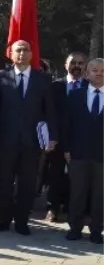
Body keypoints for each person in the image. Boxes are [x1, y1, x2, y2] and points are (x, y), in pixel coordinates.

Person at [0, 40, 58, 236]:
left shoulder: (43, 79)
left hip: (32, 141)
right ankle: (3, 218)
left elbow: (50, 111)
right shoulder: (0, 77)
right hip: (5, 139)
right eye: (18, 50)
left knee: (27, 182)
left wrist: (52, 137)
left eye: (26, 50)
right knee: (4, 181)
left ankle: (21, 221)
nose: (22, 53)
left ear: (31, 54)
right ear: (10, 54)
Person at [64, 58, 104, 244]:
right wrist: (66, 148)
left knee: (100, 194)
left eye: (103, 70)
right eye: (94, 70)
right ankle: (75, 228)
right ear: (87, 74)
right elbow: (67, 125)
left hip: (102, 156)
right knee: (77, 193)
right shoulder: (75, 95)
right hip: (78, 152)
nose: (99, 73)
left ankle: (96, 229)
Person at [47, 52, 87, 222]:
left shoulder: (90, 86)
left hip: (81, 140)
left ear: (85, 66)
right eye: (73, 63)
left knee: (78, 177)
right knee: (55, 174)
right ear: (66, 65)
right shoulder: (55, 86)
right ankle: (52, 208)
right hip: (57, 139)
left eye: (80, 63)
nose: (76, 66)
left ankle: (74, 208)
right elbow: (49, 113)